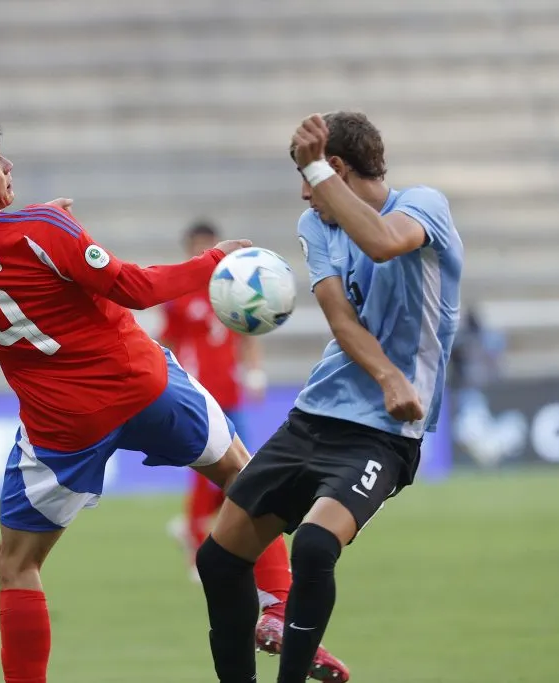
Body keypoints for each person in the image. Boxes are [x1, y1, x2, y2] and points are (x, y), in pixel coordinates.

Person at [0, 117, 259, 683]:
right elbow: (136, 288)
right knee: (244, 479)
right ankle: (282, 609)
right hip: (139, 385)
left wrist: (36, 231)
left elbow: (7, 288)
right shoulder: (44, 225)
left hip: (62, 425)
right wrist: (212, 261)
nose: (8, 167)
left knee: (16, 564)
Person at [196, 111, 463, 683]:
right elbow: (340, 317)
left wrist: (395, 382)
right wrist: (388, 374)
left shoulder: (423, 206)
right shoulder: (316, 225)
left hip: (386, 433)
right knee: (218, 561)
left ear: (334, 167)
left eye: (305, 175)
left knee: (315, 546)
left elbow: (386, 243)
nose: (302, 190)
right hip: (313, 415)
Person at [160, 222, 348, 678]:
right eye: (197, 247)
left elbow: (244, 335)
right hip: (197, 394)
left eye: (209, 245)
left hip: (230, 394)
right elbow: (167, 337)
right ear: (190, 249)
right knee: (237, 479)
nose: (204, 252)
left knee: (243, 476)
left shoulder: (234, 285)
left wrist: (255, 372)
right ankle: (266, 597)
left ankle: (265, 597)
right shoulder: (184, 295)